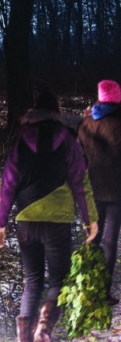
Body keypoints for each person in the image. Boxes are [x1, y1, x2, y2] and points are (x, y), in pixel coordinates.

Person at [0, 87, 98, 342]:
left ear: (34, 113)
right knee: (58, 281)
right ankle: (43, 329)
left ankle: (25, 337)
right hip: (58, 222)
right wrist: (90, 219)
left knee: (32, 280)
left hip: (26, 222)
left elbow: (6, 185)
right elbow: (81, 184)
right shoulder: (69, 141)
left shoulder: (21, 142)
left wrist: (0, 224)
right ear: (56, 114)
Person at [77, 79, 121, 304]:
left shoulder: (86, 123)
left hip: (91, 190)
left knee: (92, 238)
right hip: (115, 193)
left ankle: (86, 287)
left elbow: (80, 156)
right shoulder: (118, 123)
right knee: (109, 243)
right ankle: (101, 292)